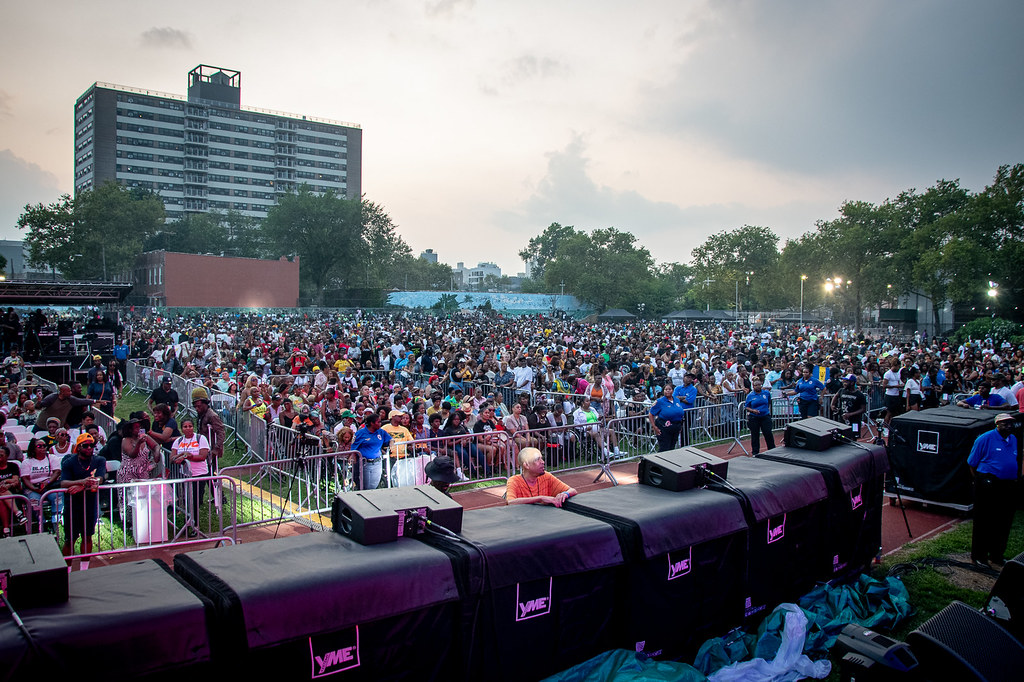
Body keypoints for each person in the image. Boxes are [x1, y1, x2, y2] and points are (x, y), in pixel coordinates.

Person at [967, 413, 1020, 567]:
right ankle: (978, 556)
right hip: (988, 484)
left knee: (1004, 521)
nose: (1009, 426)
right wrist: (979, 480)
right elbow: (972, 463)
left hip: (1008, 484)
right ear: (997, 424)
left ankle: (997, 554)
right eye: (1005, 423)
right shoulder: (985, 438)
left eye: (1011, 423)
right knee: (984, 521)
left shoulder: (1014, 439)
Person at [60, 434, 106, 560]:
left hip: (90, 504)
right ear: (78, 447)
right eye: (85, 445)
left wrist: (82, 486)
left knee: (87, 536)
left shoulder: (99, 460)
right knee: (70, 539)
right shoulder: (69, 461)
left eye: (92, 445)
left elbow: (100, 479)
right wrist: (82, 481)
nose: (89, 448)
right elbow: (63, 483)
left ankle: (85, 569)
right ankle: (67, 571)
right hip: (72, 505)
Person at [171, 418, 210, 537]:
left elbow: (203, 456)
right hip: (185, 474)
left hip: (200, 474)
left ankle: (194, 525)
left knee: (196, 500)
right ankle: (188, 522)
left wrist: (189, 457)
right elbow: (172, 457)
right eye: (185, 426)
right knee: (188, 500)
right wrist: (180, 457)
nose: (188, 428)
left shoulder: (201, 439)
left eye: (190, 426)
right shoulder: (178, 441)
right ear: (181, 428)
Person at [505, 447, 577, 507]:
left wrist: (565, 494)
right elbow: (511, 502)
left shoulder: (546, 476)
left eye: (541, 458)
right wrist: (540, 498)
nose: (542, 462)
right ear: (526, 465)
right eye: (537, 459)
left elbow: (572, 491)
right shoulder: (514, 480)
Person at [19, 438, 63, 531]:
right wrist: (35, 489)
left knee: (58, 496)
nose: (43, 448)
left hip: (49, 485)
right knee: (34, 501)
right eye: (39, 446)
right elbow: (25, 479)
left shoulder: (52, 458)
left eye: (44, 446)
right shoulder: (27, 462)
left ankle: (56, 523)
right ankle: (41, 525)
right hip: (32, 487)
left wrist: (46, 483)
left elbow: (57, 472)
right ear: (33, 448)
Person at [350, 412, 391, 490]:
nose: (380, 423)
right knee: (366, 486)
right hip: (365, 463)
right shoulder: (360, 433)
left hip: (377, 462)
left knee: (374, 485)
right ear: (372, 423)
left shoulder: (381, 432)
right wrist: (354, 460)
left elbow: (389, 439)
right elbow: (354, 448)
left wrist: (391, 442)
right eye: (378, 422)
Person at [35, 383, 100, 430]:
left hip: (57, 427)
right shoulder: (52, 398)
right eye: (69, 391)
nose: (71, 393)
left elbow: (83, 401)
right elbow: (38, 407)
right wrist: (38, 401)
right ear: (62, 392)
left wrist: (97, 401)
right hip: (42, 424)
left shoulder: (71, 399)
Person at [191, 387, 225, 469]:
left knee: (210, 474)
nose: (197, 409)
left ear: (205, 403)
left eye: (199, 406)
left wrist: (216, 449)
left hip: (211, 449)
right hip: (202, 448)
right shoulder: (201, 414)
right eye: (195, 406)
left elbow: (221, 432)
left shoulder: (212, 416)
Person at [648, 382, 685, 452]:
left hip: (676, 425)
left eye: (669, 389)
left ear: (673, 391)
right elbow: (651, 414)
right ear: (663, 391)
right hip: (664, 426)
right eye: (666, 389)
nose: (668, 391)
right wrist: (654, 426)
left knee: (672, 445)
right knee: (665, 447)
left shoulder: (676, 400)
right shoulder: (659, 401)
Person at [745, 377, 775, 456]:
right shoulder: (750, 395)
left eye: (759, 385)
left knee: (768, 433)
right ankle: (755, 452)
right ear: (753, 386)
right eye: (756, 385)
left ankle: (772, 450)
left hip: (765, 416)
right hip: (754, 417)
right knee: (755, 435)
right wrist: (753, 410)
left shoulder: (766, 393)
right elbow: (747, 406)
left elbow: (769, 402)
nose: (758, 386)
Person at [0, 444, 24, 536]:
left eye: (1, 455)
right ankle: (18, 513)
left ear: (7, 456)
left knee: (1, 498)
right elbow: (13, 480)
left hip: (14, 492)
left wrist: (7, 483)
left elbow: (16, 481)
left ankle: (6, 530)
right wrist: (9, 483)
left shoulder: (13, 466)